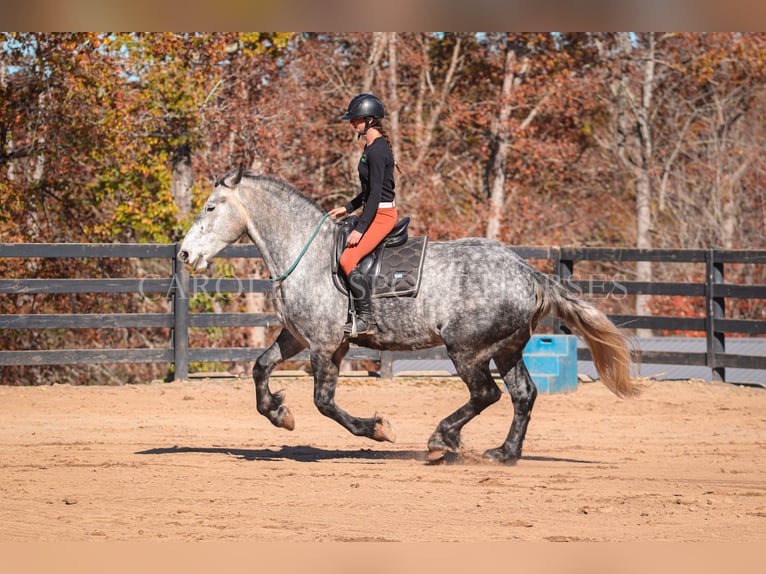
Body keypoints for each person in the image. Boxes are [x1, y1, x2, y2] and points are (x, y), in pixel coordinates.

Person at [329, 93, 398, 335]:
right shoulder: (370, 146)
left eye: (355, 119)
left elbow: (377, 194)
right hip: (373, 210)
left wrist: (360, 229)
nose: (352, 123)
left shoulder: (378, 150)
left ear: (369, 120)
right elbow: (368, 191)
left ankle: (365, 318)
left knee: (347, 260)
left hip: (383, 215)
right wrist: (348, 208)